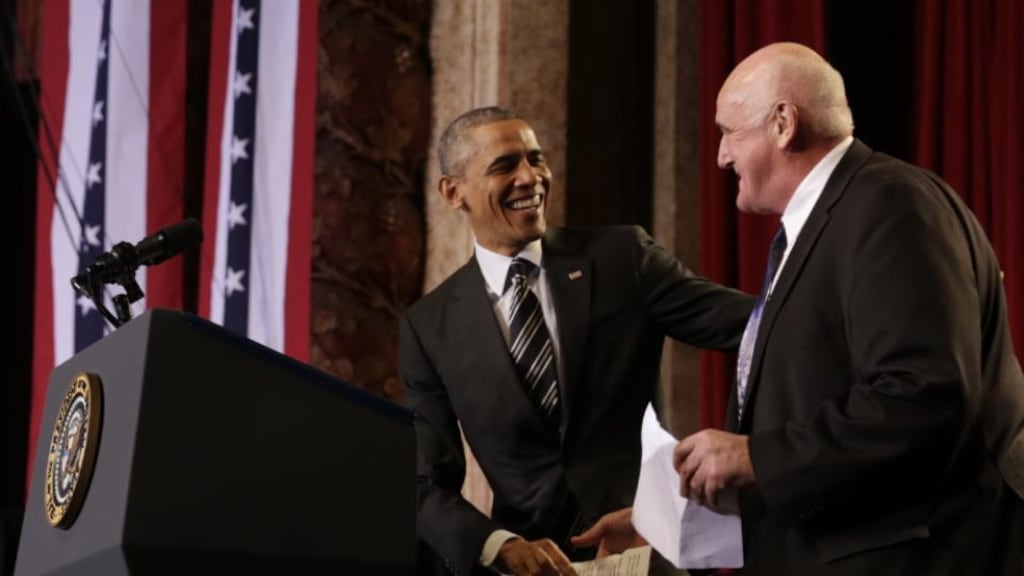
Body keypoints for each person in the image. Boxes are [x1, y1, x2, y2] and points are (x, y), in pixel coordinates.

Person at [583, 42, 1024, 575]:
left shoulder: (890, 206)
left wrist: (753, 457)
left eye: (728, 132)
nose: (721, 155)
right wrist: (674, 519)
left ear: (783, 123)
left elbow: (922, 396)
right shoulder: (827, 222)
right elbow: (817, 423)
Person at [400, 106, 754, 576]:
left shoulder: (621, 258)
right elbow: (426, 482)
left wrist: (841, 298)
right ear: (453, 191)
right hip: (530, 567)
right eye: (505, 165)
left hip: (650, 554)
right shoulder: (429, 326)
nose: (531, 178)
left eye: (536, 159)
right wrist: (498, 545)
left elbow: (748, 324)